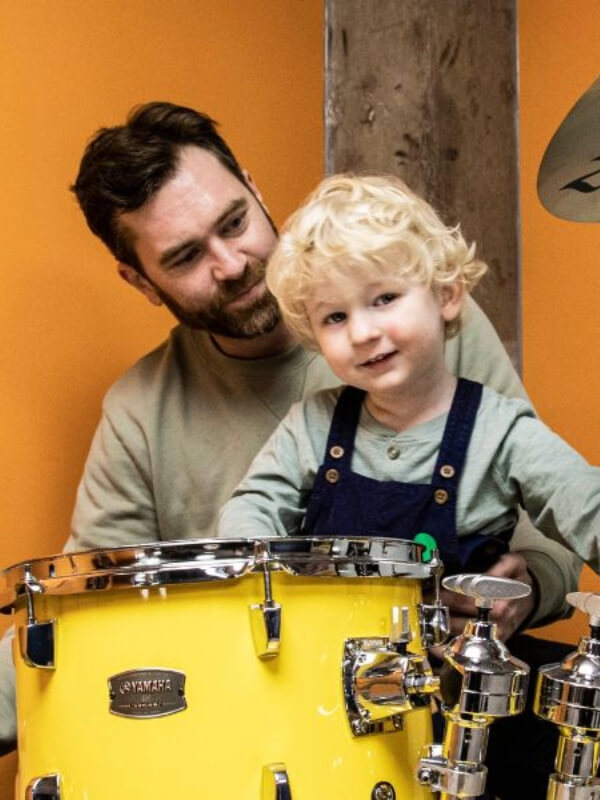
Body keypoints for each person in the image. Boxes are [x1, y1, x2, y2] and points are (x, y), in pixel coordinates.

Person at [0, 104, 581, 797]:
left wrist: (514, 595)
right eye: (185, 257)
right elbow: (85, 617)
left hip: (442, 707)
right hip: (265, 728)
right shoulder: (139, 412)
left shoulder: (421, 329)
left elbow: (554, 529)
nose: (232, 263)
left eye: (234, 221)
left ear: (255, 188)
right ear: (139, 281)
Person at [217, 173, 600, 573]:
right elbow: (251, 509)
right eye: (334, 316)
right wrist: (254, 569)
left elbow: (585, 503)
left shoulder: (502, 432)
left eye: (385, 298)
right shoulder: (308, 428)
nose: (362, 333)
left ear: (446, 295)